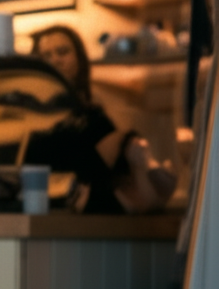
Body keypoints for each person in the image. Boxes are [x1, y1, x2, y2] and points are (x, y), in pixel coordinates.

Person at [30, 24, 177, 213]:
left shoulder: (92, 117)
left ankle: (145, 168)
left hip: (97, 198)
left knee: (124, 140)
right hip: (63, 200)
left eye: (62, 52)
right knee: (126, 141)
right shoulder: (32, 121)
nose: (55, 60)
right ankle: (146, 168)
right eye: (46, 56)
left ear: (79, 60)